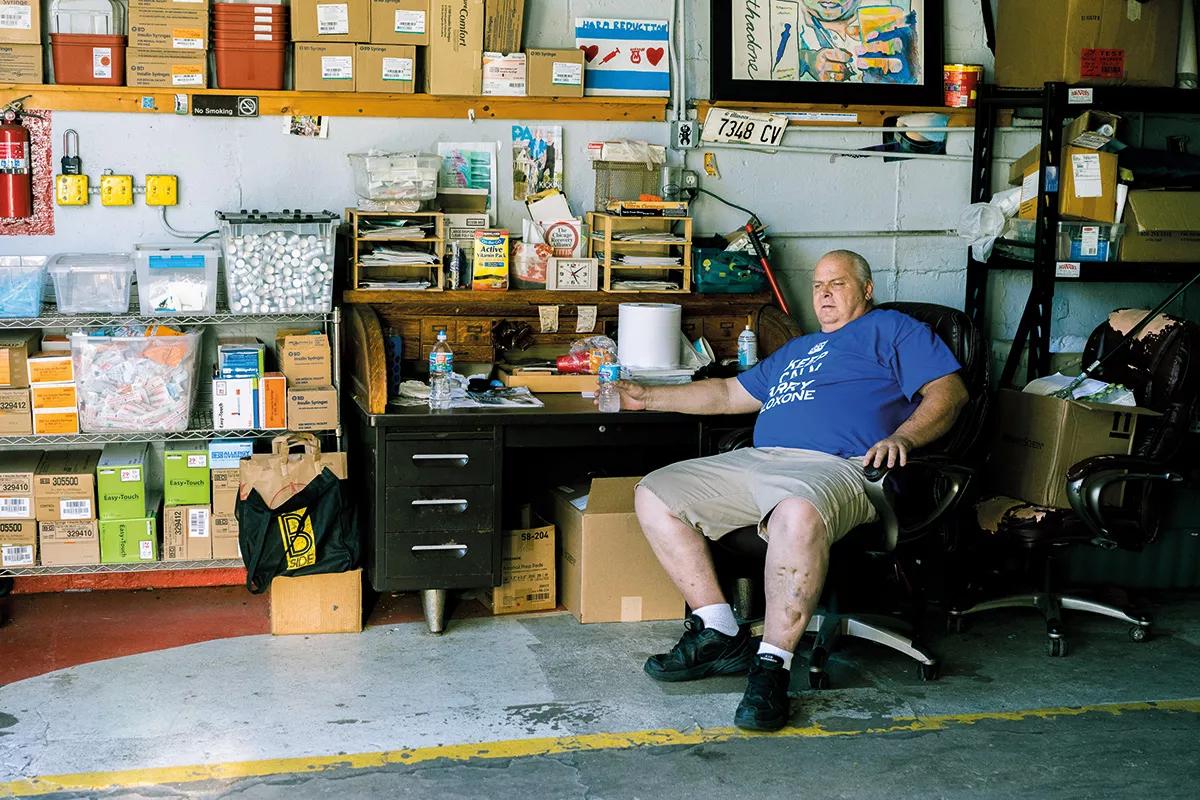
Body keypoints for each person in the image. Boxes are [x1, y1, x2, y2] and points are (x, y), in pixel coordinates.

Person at [616, 250, 968, 732]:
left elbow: (949, 392)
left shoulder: (893, 329)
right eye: (818, 284)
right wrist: (648, 397)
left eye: (838, 284)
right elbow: (726, 395)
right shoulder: (798, 349)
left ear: (867, 289)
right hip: (760, 460)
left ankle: (772, 667)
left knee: (797, 512)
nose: (824, 293)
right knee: (656, 491)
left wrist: (903, 437)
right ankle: (719, 630)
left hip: (836, 467)